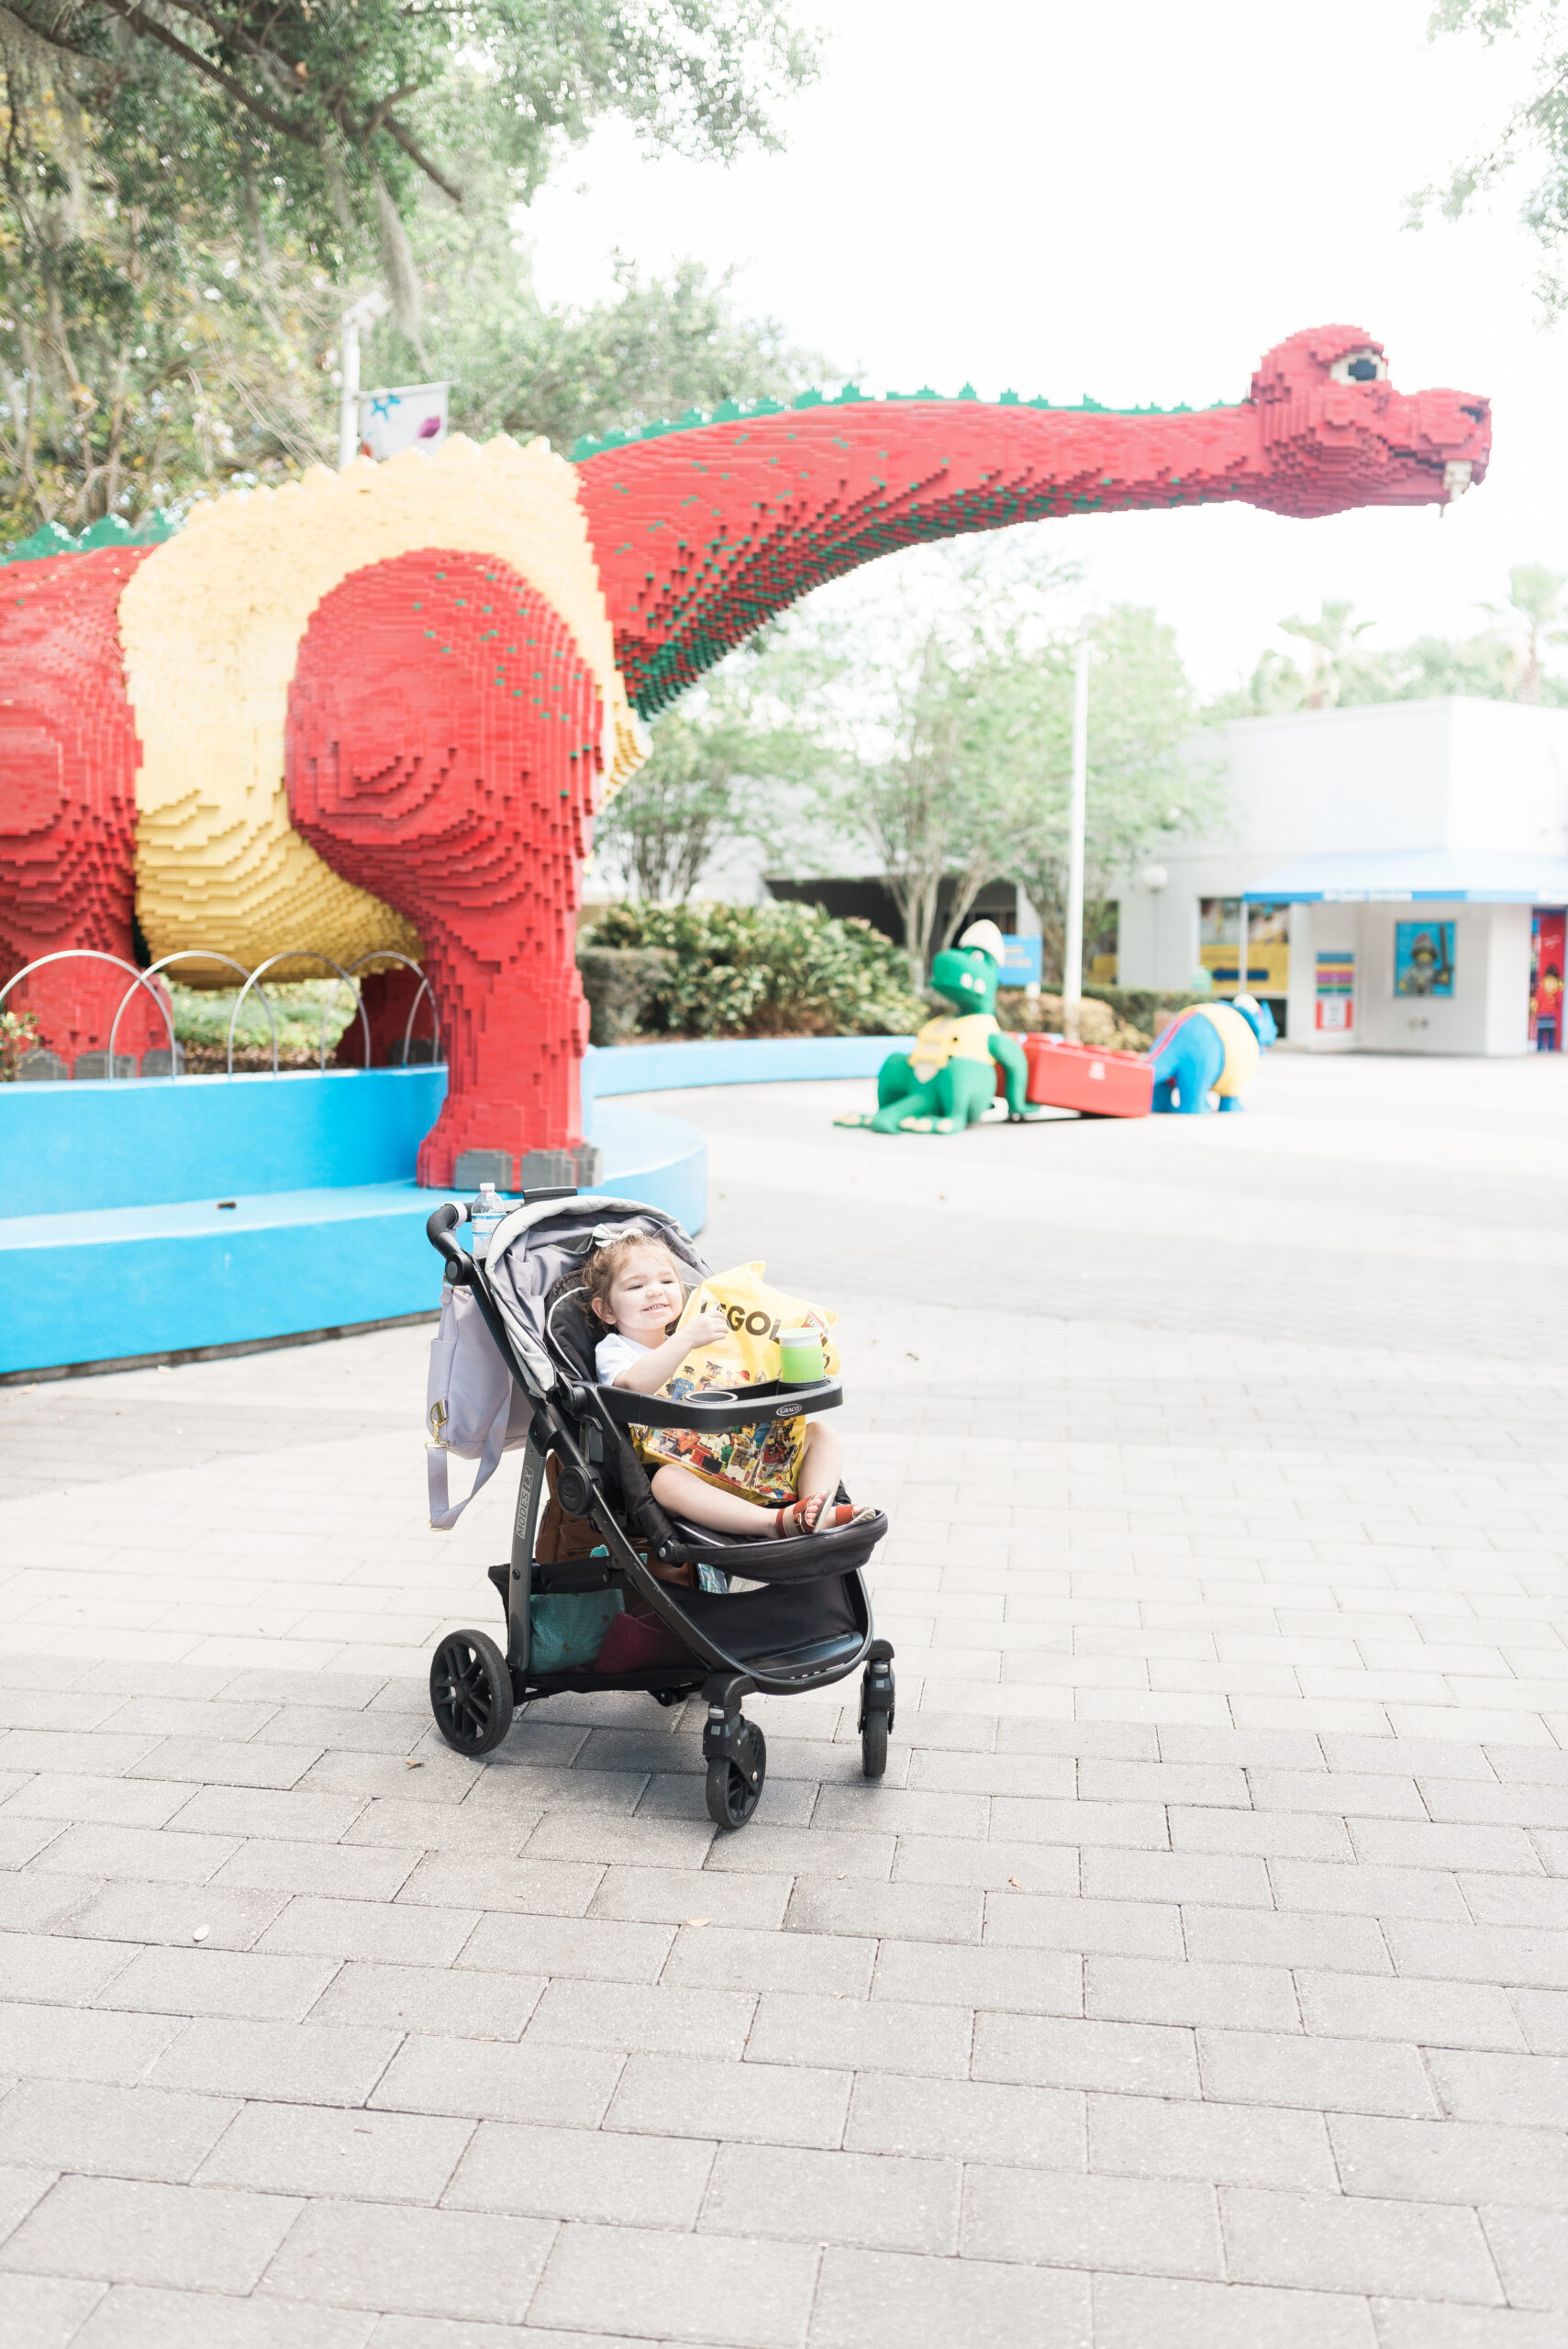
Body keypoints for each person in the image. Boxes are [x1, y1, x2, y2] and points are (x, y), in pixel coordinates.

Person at [583, 1234, 871, 1537]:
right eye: (636, 1286)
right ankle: (775, 1523)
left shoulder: (698, 1342)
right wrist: (686, 1340)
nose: (655, 1291)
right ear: (607, 1311)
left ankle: (815, 1509)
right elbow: (632, 1386)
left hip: (740, 1455)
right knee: (666, 1482)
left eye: (667, 1281)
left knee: (821, 1434)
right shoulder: (616, 1349)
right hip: (684, 1467)